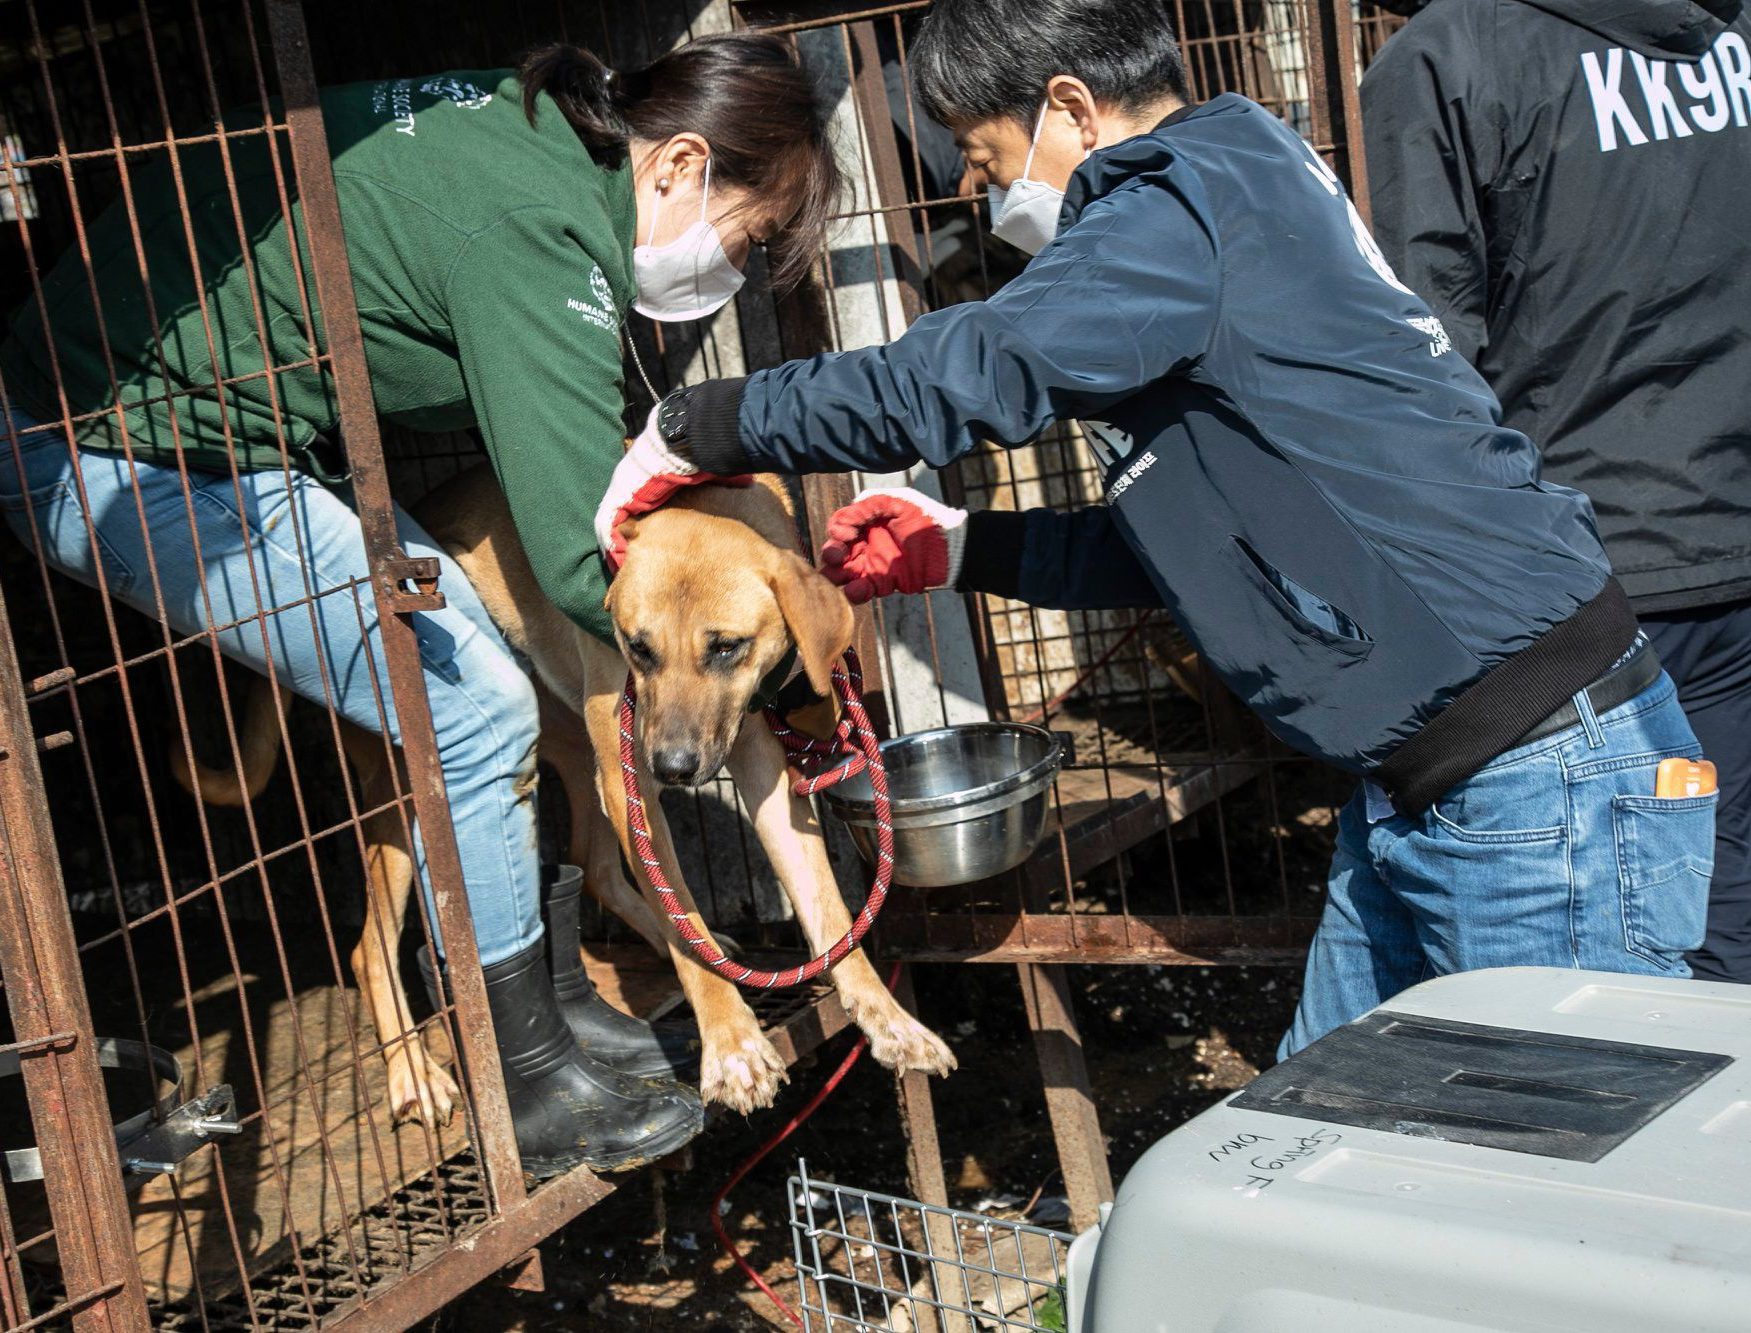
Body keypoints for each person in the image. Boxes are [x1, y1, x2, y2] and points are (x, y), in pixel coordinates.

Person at [598, 0, 1719, 1058]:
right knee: (1310, 1140)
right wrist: (964, 546)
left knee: (1564, 1177)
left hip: (1535, 778)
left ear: (1072, 109)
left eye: (985, 160)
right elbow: (1211, 549)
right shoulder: (1231, 186)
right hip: (1426, 776)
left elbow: (977, 369)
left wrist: (706, 424)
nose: (988, 203)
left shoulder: (1175, 201)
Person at [0, 35, 838, 1172]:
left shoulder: (532, 140)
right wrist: (770, 637)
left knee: (480, 676)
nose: (735, 267)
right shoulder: (538, 234)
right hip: (104, 453)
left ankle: (547, 1005)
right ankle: (520, 1069)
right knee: (481, 705)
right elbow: (584, 561)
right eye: (750, 238)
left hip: (234, 441)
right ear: (680, 164)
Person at [1360, 0, 1751, 983]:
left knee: (1620, 953)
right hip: (1718, 542)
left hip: (1586, 592)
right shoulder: (1727, 30)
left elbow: (1425, 366)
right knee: (1725, 894)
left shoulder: (1446, 56)